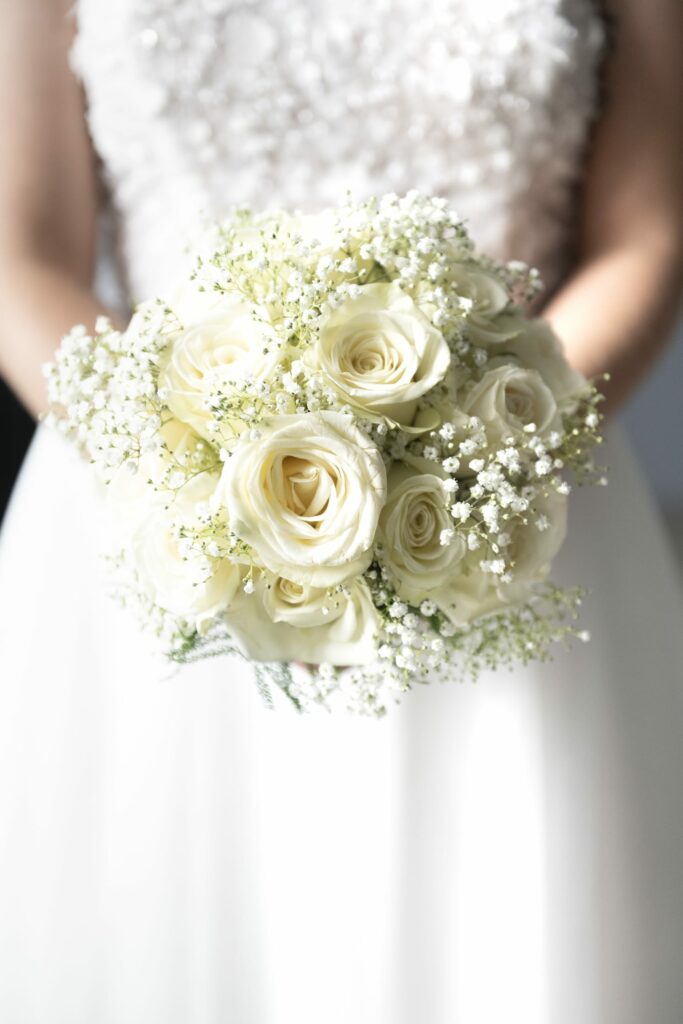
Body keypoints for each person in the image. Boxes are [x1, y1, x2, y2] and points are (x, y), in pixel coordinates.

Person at [0, 2, 682, 1022]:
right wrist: (200, 479)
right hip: (155, 530)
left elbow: (646, 232)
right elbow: (23, 257)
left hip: (516, 508)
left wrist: (470, 461)